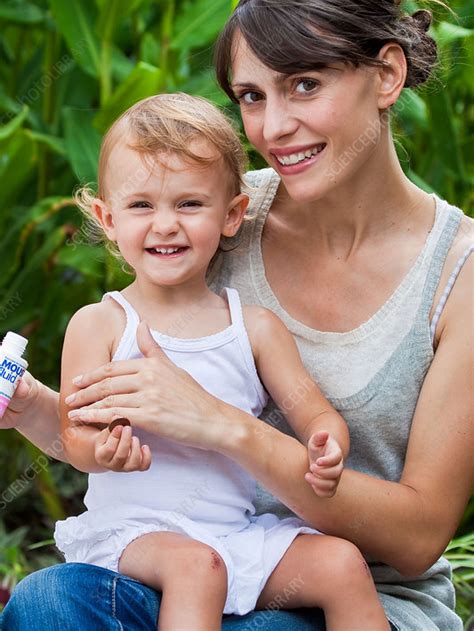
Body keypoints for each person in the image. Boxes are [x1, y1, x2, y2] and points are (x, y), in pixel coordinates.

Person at [2, 0, 472, 631]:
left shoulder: (457, 277)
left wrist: (223, 425)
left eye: (304, 84)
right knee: (48, 603)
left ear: (388, 74)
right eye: (252, 96)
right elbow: (110, 412)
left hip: (353, 591)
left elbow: (419, 533)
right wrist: (38, 405)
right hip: (184, 570)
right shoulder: (210, 210)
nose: (273, 128)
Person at [51, 91, 389, 631]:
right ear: (107, 218)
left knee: (341, 563)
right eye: (141, 206)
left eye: (189, 204)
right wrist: (103, 451)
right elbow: (74, 437)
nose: (165, 225)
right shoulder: (103, 323)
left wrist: (328, 443)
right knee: (195, 568)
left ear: (232, 214)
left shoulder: (252, 328)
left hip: (233, 533)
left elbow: (313, 412)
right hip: (136, 533)